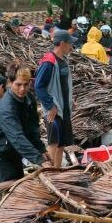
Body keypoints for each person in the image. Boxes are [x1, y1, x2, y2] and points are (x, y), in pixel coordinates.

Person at [0, 64, 46, 181]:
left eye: (26, 84)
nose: (22, 89)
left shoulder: (29, 98)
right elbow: (17, 137)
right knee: (7, 183)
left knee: (18, 180)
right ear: (10, 82)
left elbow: (33, 127)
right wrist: (39, 160)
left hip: (12, 147)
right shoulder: (6, 107)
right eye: (18, 85)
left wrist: (41, 149)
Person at [35, 30, 75, 168]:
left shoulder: (63, 61)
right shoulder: (49, 62)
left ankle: (57, 172)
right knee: (53, 142)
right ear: (62, 43)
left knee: (61, 143)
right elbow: (38, 87)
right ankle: (50, 173)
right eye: (70, 43)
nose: (71, 47)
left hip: (64, 109)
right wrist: (50, 105)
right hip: (54, 110)